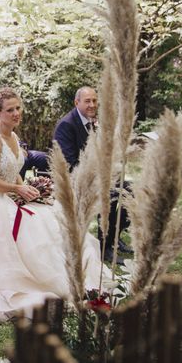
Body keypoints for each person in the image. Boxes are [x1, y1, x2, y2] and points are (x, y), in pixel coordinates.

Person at [0, 88, 105, 321]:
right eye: (10, 110)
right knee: (26, 234)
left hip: (13, 194)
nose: (16, 113)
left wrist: (29, 189)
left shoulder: (14, 137)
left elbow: (13, 171)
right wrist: (16, 189)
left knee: (51, 221)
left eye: (18, 108)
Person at [53, 86, 130, 264]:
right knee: (109, 195)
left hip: (96, 176)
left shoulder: (92, 121)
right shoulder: (67, 124)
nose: (92, 104)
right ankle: (105, 248)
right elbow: (70, 163)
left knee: (131, 190)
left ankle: (114, 237)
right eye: (87, 101)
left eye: (94, 101)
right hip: (75, 180)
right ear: (76, 102)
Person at [0, 86, 48, 174]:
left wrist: (22, 148)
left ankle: (44, 184)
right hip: (1, 159)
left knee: (46, 158)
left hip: (19, 151)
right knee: (20, 162)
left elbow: (12, 136)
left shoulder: (9, 113)